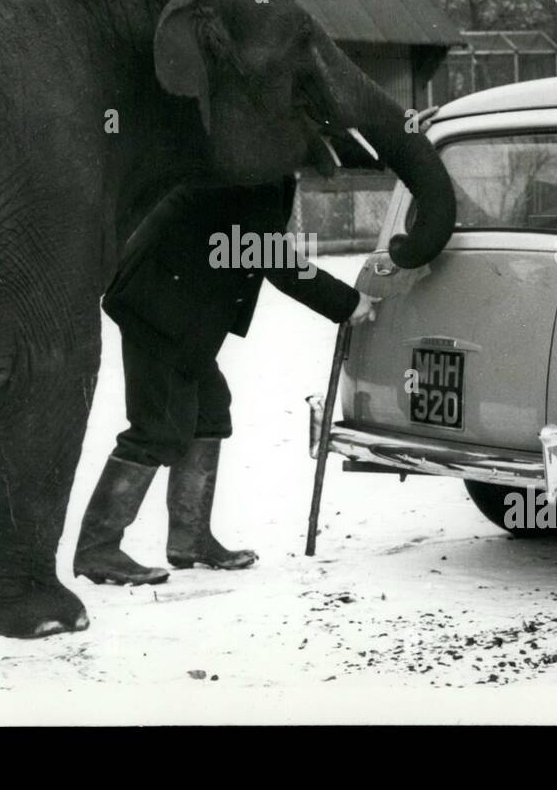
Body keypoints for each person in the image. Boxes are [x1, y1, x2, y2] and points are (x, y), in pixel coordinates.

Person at [74, 174, 377, 585]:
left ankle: (189, 538)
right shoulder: (256, 171)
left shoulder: (257, 162)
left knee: (209, 409)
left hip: (178, 304)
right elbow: (275, 262)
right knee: (156, 428)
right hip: (159, 307)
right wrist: (346, 302)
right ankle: (98, 548)